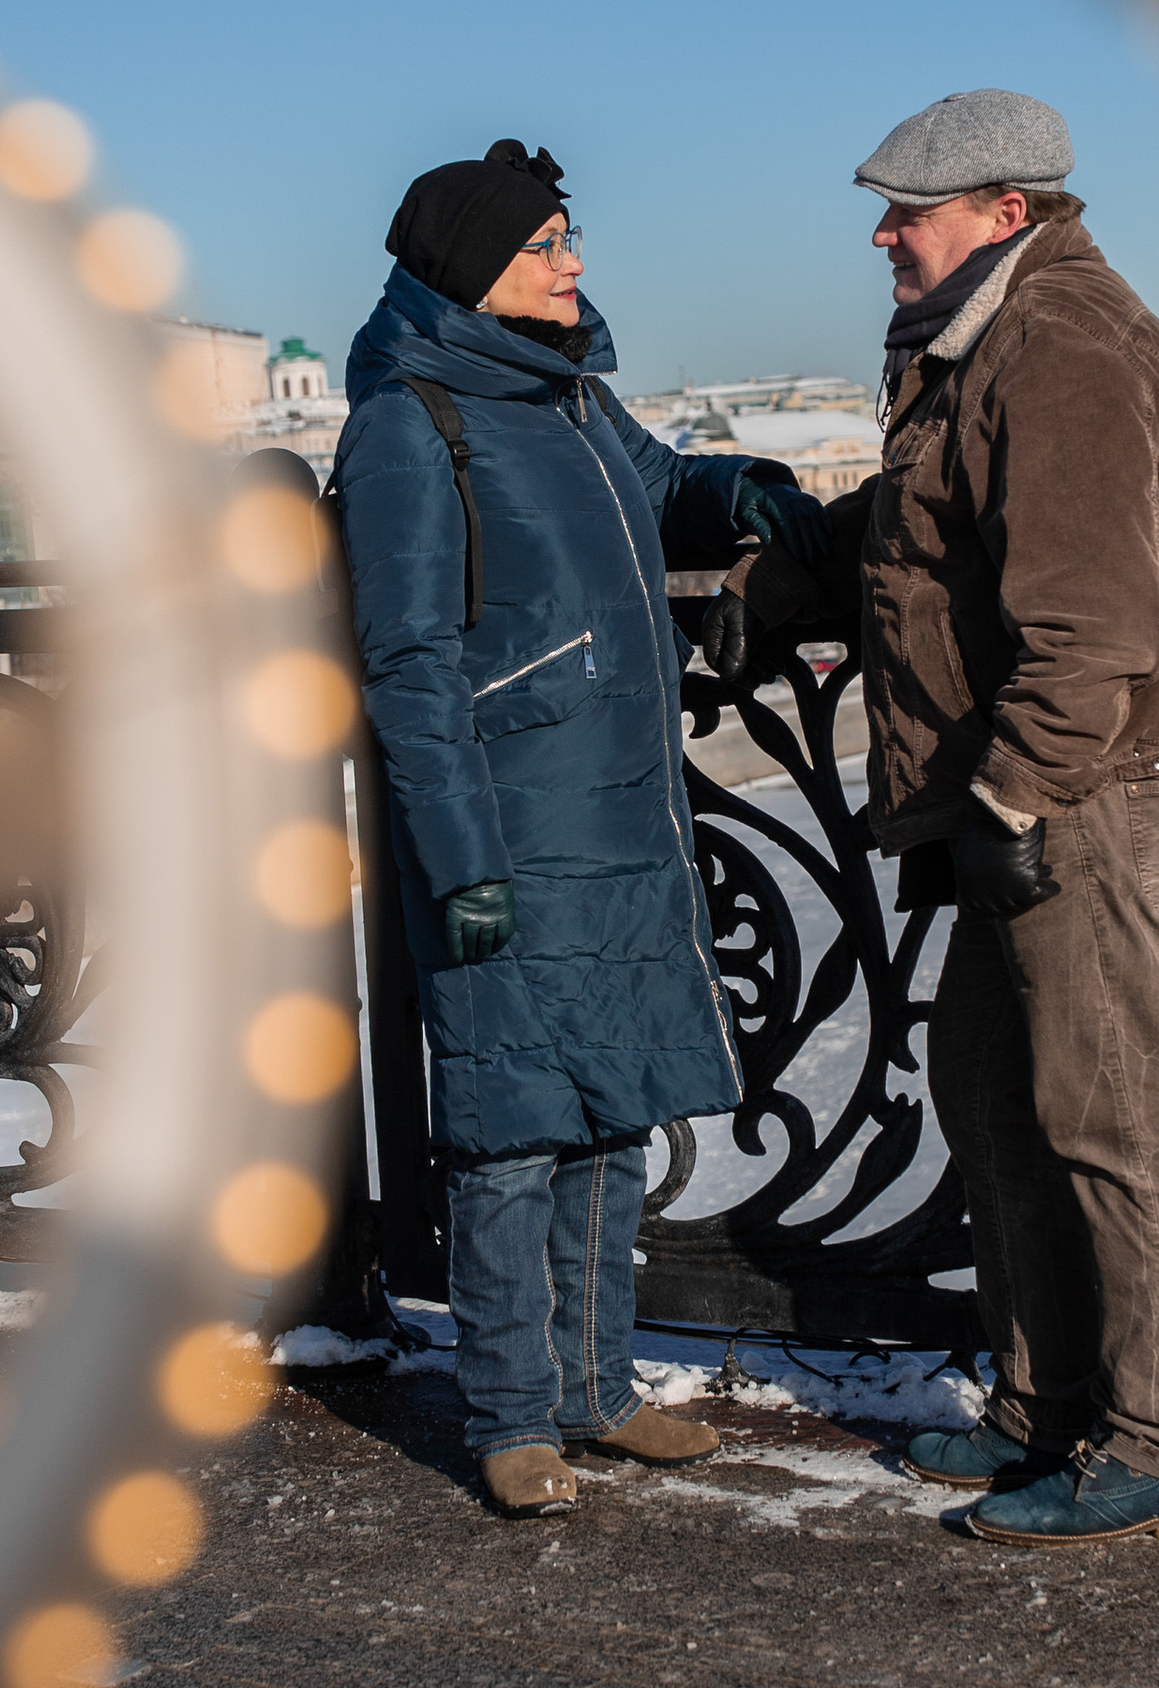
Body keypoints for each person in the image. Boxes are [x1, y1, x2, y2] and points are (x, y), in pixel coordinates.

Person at [332, 137, 826, 1515]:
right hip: (506, 829)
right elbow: (411, 667)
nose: (576, 264)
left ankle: (600, 1392)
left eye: (568, 241)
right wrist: (463, 863)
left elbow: (663, 483)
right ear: (477, 266)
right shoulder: (410, 423)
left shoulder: (569, 400)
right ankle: (509, 1416)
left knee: (608, 1114)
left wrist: (743, 494)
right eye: (550, 246)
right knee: (508, 1130)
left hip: (620, 816)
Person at [828, 87, 1159, 1547]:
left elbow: (1094, 633)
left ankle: (1158, 1437)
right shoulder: (986, 339)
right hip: (1029, 793)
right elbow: (925, 538)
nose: (882, 231)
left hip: (1086, 792)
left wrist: (1007, 791)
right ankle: (1046, 1401)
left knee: (1109, 1112)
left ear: (1005, 214)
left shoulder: (1059, 345)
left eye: (908, 210)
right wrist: (775, 572)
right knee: (1001, 1097)